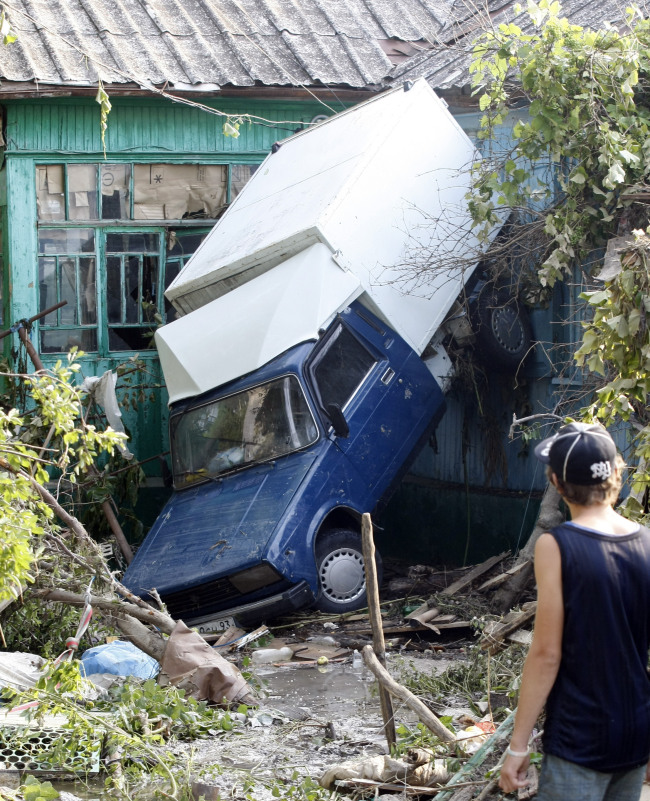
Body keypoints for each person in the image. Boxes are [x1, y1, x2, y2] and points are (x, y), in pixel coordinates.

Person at [499, 421, 650, 800]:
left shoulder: (557, 546)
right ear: (617, 473)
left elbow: (547, 653)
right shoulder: (646, 542)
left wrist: (518, 746)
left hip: (580, 739)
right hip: (634, 736)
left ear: (556, 482)